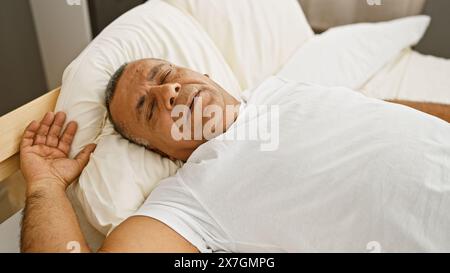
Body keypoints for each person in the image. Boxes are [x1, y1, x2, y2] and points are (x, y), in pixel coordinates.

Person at [20, 59, 450, 253]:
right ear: (161, 151)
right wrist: (44, 186)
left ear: (202, 74)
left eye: (167, 76)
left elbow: (384, 113)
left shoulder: (282, 89)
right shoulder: (189, 202)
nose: (168, 92)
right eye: (149, 109)